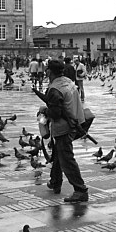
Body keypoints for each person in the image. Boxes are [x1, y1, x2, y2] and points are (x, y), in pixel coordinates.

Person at [32, 59, 88, 203]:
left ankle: (80, 190)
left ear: (50, 71)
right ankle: (55, 181)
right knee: (58, 154)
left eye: (47, 70)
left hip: (63, 128)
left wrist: (44, 110)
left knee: (67, 159)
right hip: (75, 123)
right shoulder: (68, 82)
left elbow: (56, 113)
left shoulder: (55, 89)